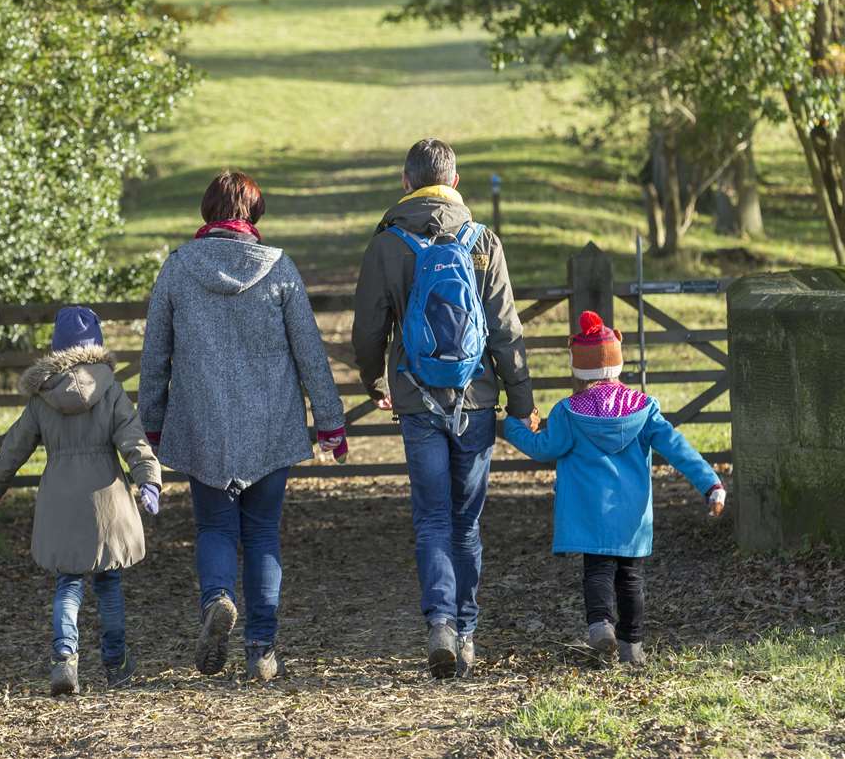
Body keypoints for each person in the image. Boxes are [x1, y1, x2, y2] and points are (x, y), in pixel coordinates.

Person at [138, 171, 346, 682]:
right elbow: (310, 353)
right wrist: (330, 422)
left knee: (213, 527)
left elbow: (154, 356)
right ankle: (261, 648)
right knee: (261, 535)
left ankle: (217, 599)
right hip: (271, 425)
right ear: (253, 214)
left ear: (208, 213)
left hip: (202, 422)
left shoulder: (178, 269)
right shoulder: (280, 269)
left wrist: (152, 424)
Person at [351, 138, 538, 678]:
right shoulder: (483, 241)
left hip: (416, 396)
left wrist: (373, 379)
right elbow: (505, 329)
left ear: (406, 183)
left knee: (431, 517)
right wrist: (520, 399)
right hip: (475, 399)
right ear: (454, 183)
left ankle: (439, 623)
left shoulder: (388, 242)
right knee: (466, 522)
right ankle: (469, 629)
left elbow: (369, 328)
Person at [502, 310, 726, 665]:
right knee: (631, 579)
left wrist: (514, 427)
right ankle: (632, 647)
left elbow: (544, 448)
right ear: (618, 364)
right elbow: (678, 448)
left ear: (579, 368)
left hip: (590, 512)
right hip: (632, 515)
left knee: (598, 571)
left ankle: (600, 627)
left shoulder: (568, 412)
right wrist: (710, 483)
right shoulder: (645, 409)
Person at [0, 305, 162, 696]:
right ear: (97, 344)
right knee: (109, 583)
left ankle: (64, 658)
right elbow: (133, 439)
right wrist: (149, 481)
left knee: (69, 584)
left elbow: (14, 447)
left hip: (61, 501)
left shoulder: (42, 397)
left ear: (56, 348)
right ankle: (116, 664)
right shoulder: (110, 390)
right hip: (106, 501)